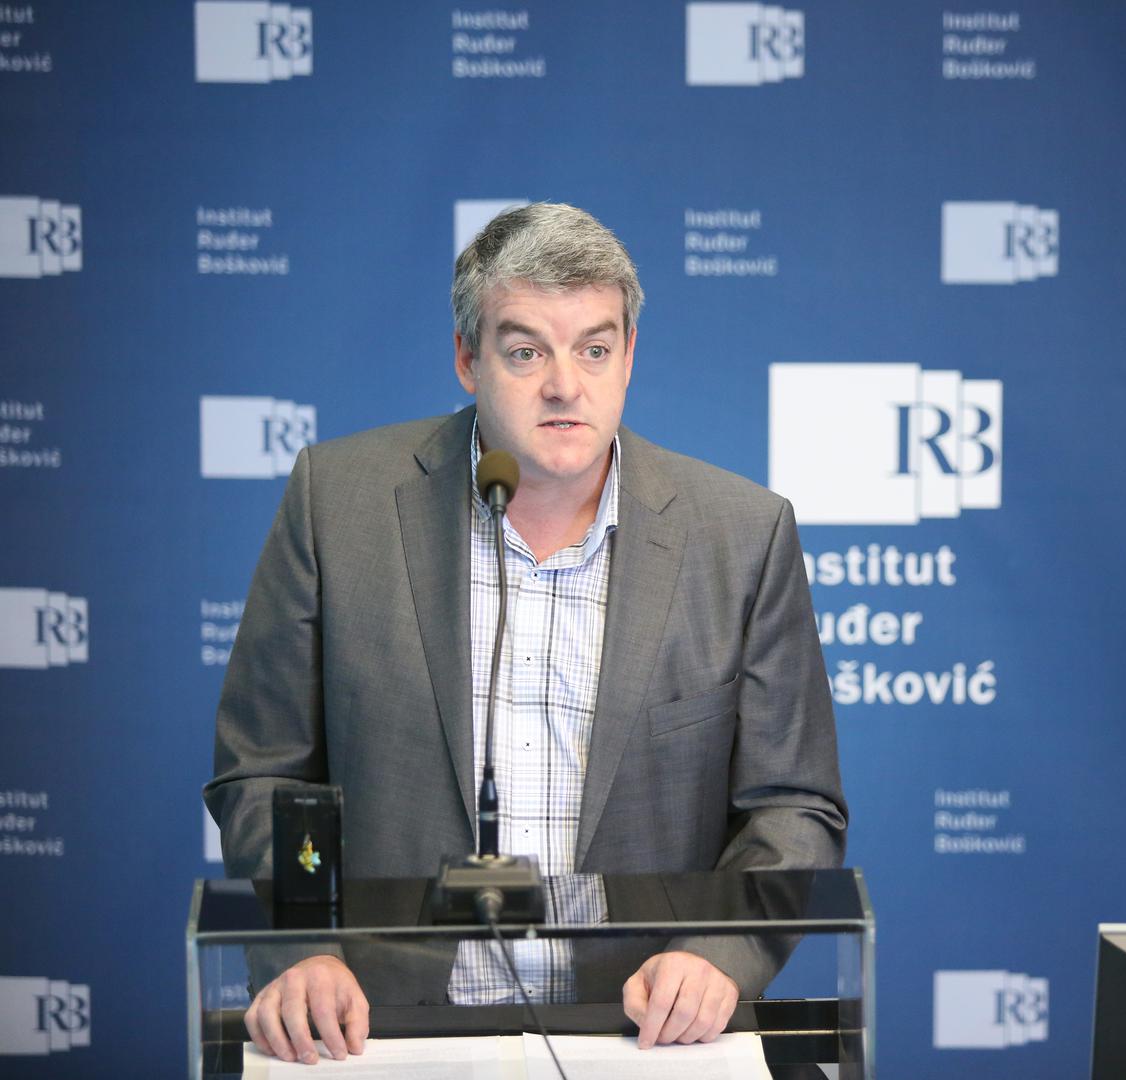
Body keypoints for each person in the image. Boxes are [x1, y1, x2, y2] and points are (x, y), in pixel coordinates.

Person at [204, 202, 847, 1066]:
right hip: (383, 1033)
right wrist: (303, 948)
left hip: (641, 1035)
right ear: (468, 359)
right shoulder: (337, 502)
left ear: (629, 356)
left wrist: (718, 955)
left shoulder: (741, 535)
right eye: (525, 351)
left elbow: (792, 807)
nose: (564, 386)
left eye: (594, 349)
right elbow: (265, 773)